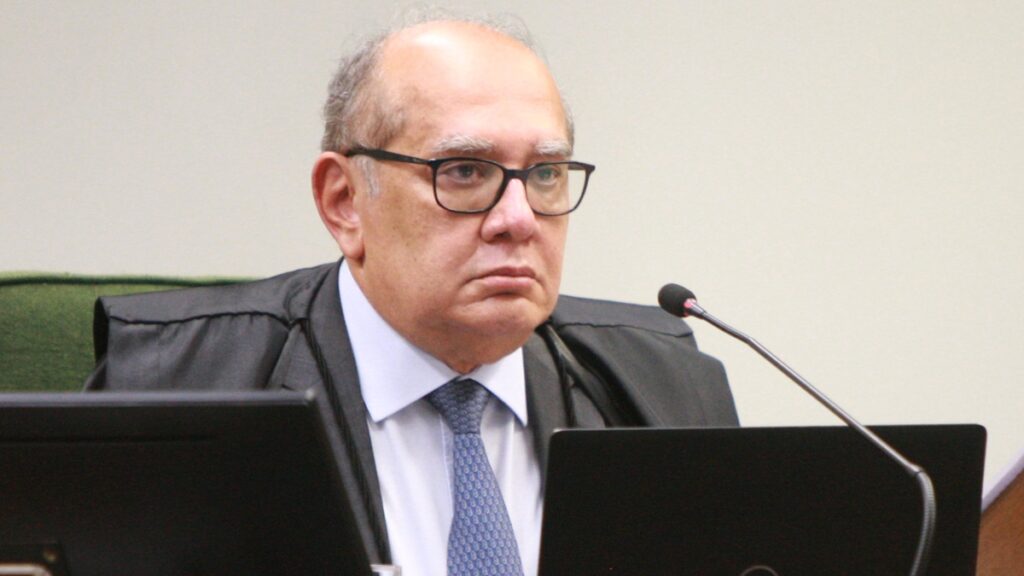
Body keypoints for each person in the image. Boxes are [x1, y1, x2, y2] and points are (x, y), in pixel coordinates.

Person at [85, 16, 738, 576]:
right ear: (344, 201)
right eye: (464, 171)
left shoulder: (665, 390)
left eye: (544, 173)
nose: (519, 219)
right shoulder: (175, 384)